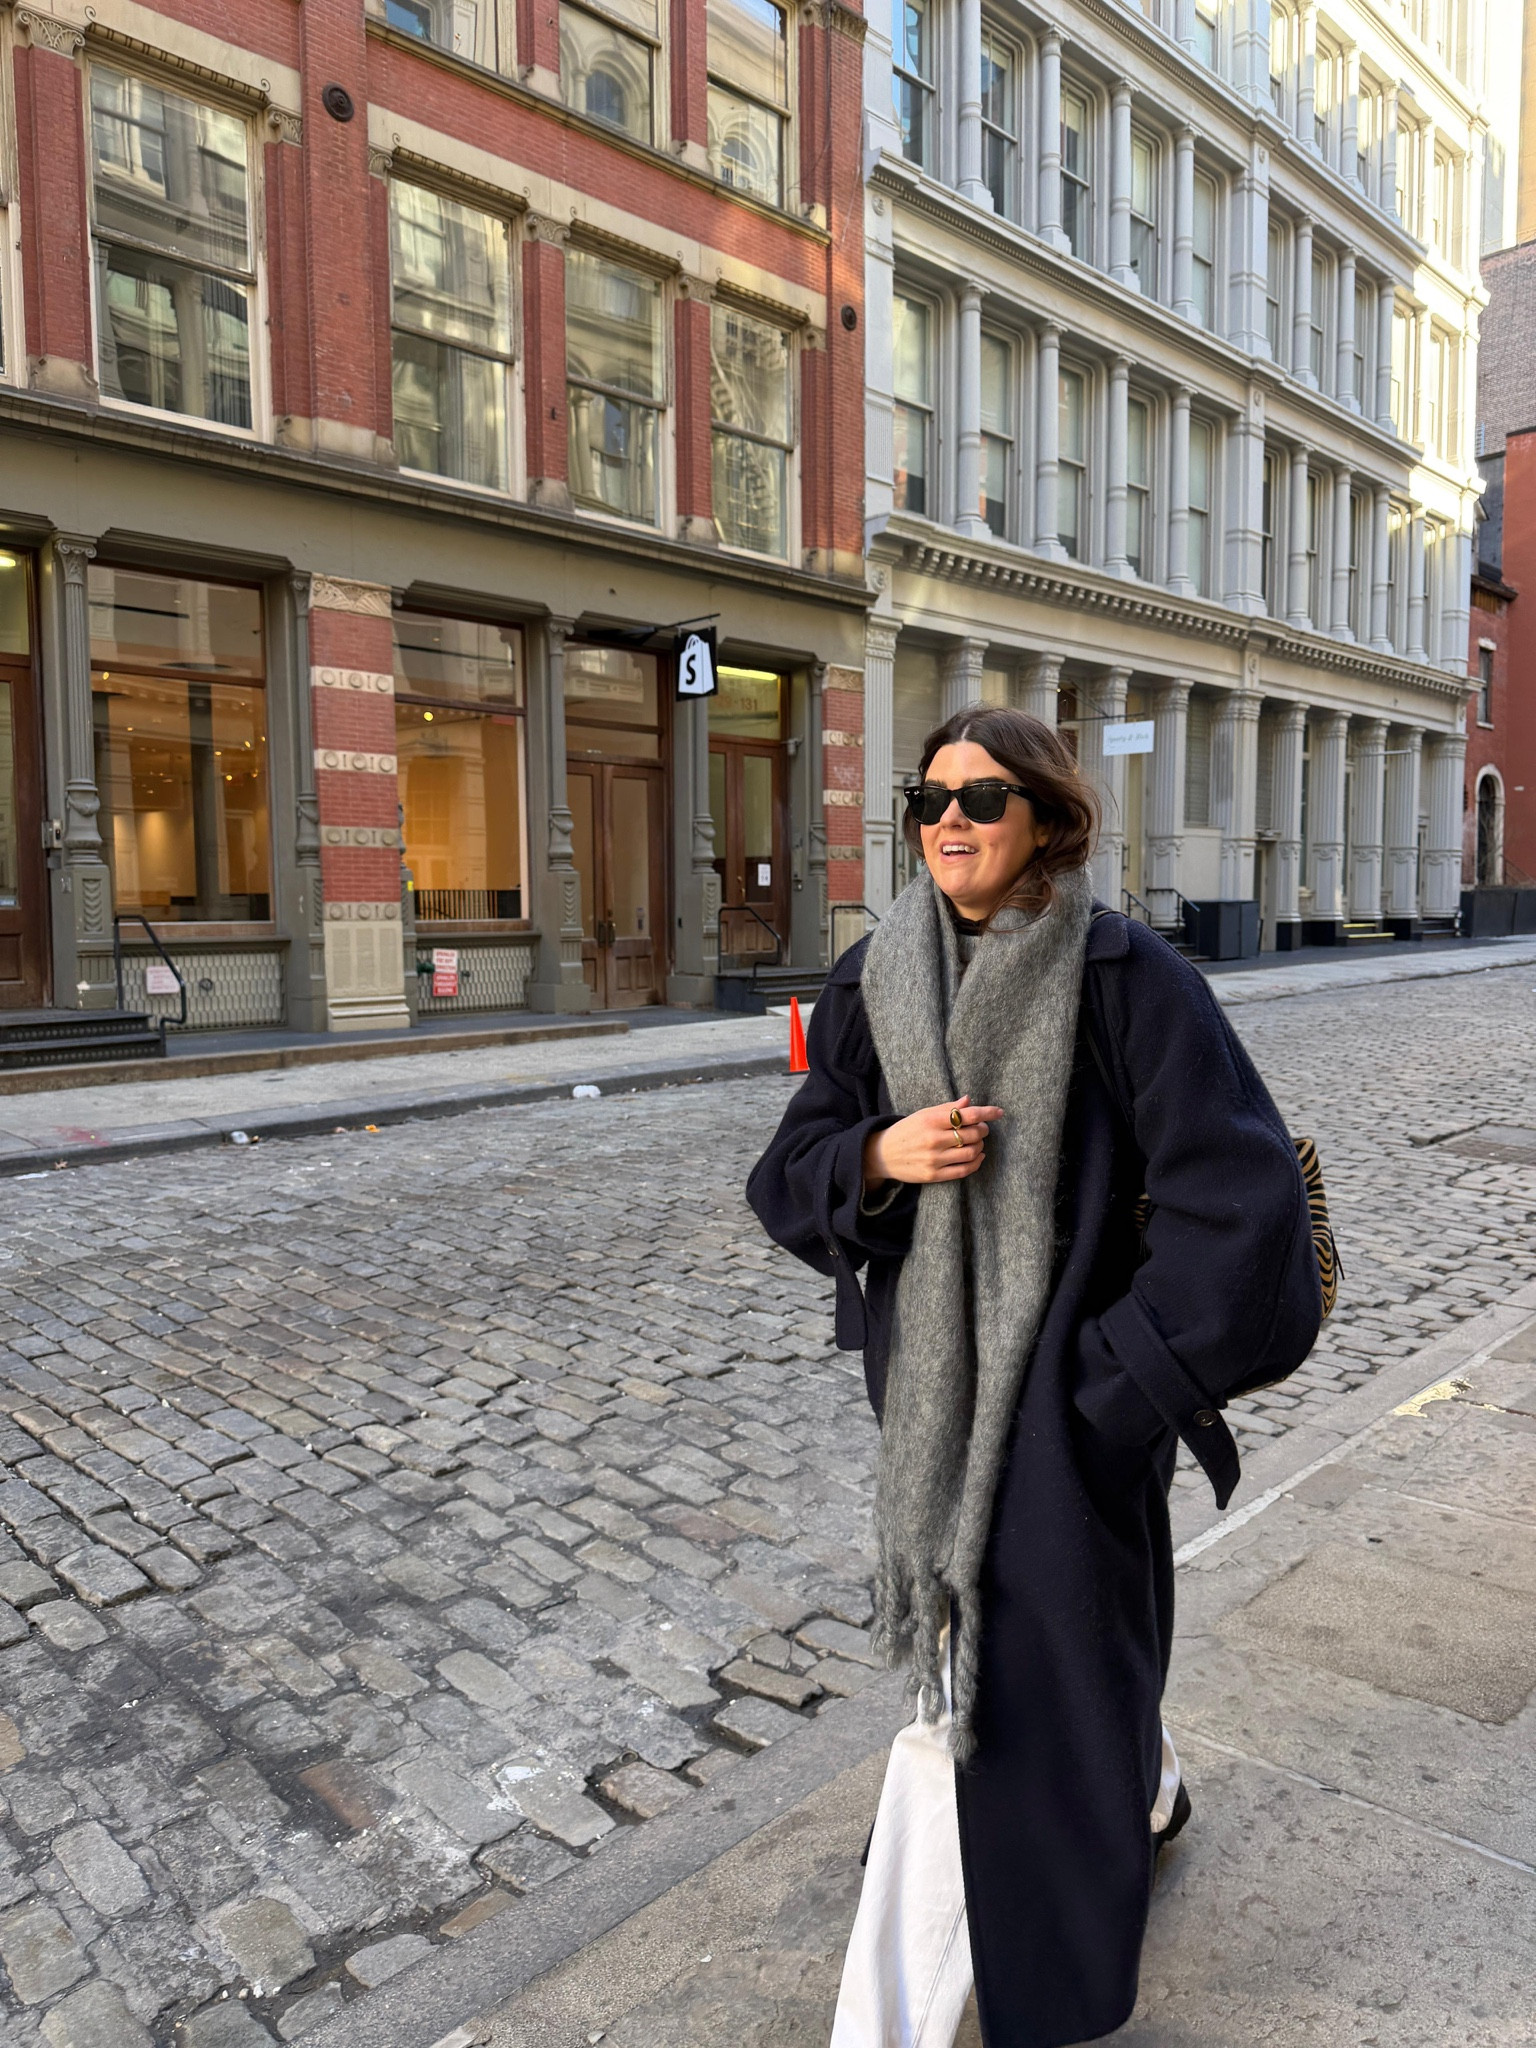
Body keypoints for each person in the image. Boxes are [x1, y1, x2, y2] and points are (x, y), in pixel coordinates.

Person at [746, 706, 1322, 2048]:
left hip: (1072, 1421)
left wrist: (1108, 1395)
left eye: (985, 797)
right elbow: (789, 1172)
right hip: (937, 1409)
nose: (951, 819)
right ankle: (1151, 1793)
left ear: (1049, 821)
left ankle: (988, 2008)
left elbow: (1242, 1216)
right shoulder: (876, 976)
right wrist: (879, 1160)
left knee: (1003, 1702)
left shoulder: (1127, 977)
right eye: (930, 797)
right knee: (1070, 1662)